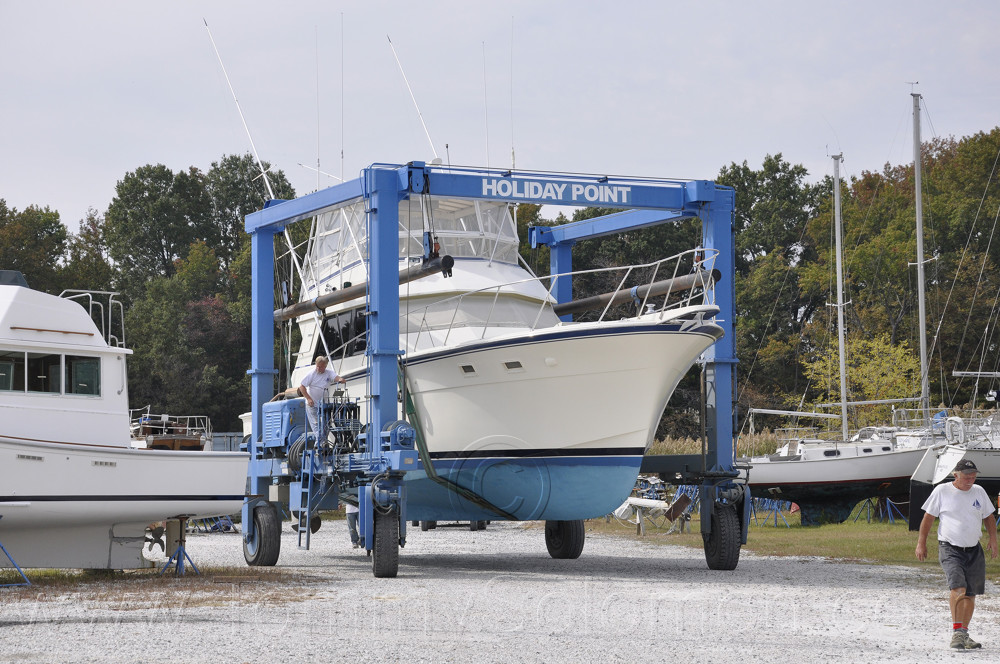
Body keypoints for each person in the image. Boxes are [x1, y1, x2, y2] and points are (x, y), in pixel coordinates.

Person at [916, 459, 998, 650]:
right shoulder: (942, 491)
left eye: (973, 476)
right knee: (958, 588)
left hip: (974, 549)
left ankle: (964, 633)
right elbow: (928, 518)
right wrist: (921, 543)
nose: (970, 480)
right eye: (967, 476)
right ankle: (956, 633)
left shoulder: (979, 491)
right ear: (956, 475)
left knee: (971, 593)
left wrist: (993, 540)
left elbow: (989, 517)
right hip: (950, 548)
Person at [296, 356, 346, 435]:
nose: (318, 368)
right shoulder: (311, 373)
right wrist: (308, 399)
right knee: (317, 425)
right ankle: (320, 444)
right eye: (317, 366)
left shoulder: (329, 373)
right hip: (312, 405)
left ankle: (322, 444)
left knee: (326, 425)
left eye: (321, 367)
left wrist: (340, 379)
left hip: (324, 405)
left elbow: (335, 377)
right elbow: (302, 386)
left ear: (325, 366)